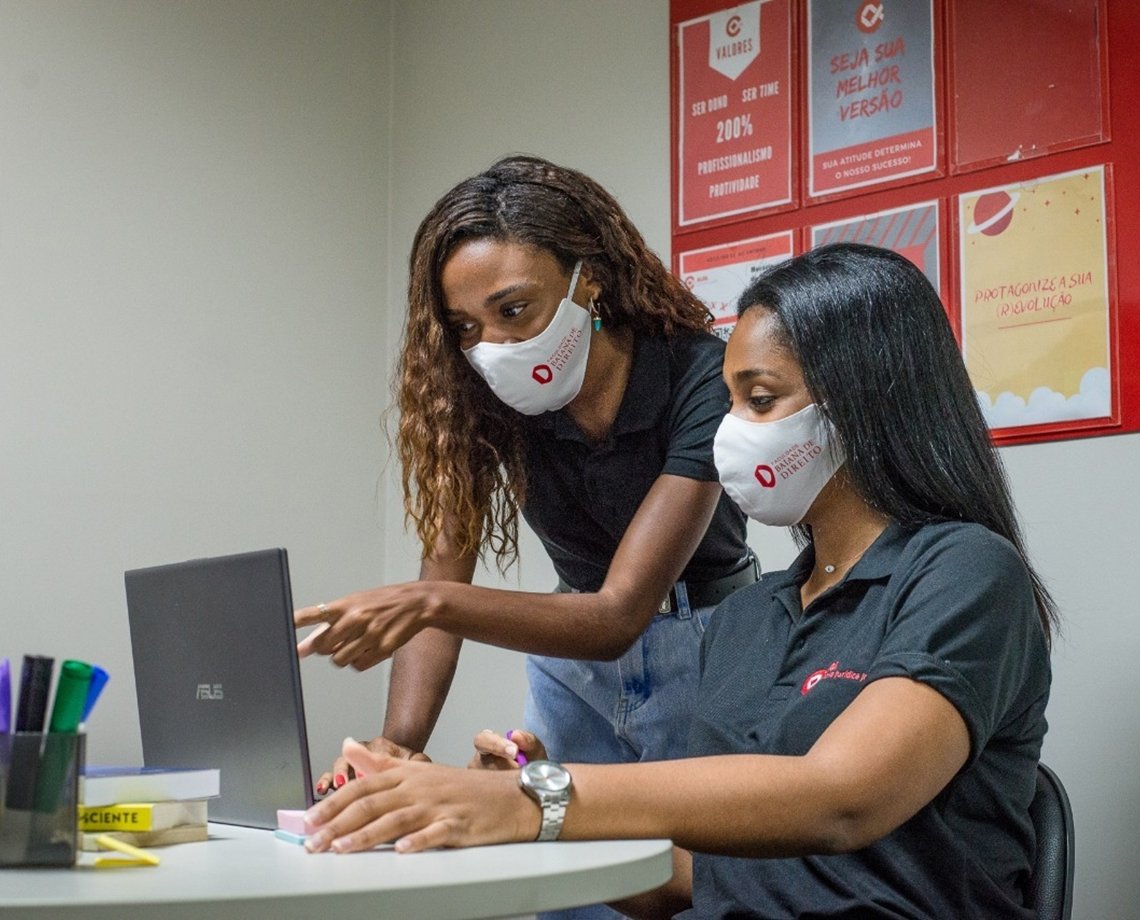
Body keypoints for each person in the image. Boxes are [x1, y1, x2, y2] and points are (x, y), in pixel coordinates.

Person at [300, 243, 1056, 920]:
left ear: (865, 404)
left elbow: (843, 798)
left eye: (760, 399)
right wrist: (498, 811)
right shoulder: (749, 619)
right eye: (729, 402)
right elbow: (683, 880)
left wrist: (536, 800)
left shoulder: (964, 572)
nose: (731, 431)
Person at [294, 158, 756, 806]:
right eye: (466, 328)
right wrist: (395, 743)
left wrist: (427, 602)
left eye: (514, 309)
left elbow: (617, 615)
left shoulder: (702, 377)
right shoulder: (483, 401)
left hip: (708, 645)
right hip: (571, 667)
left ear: (588, 278)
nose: (493, 347)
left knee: (693, 886)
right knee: (567, 890)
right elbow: (444, 577)